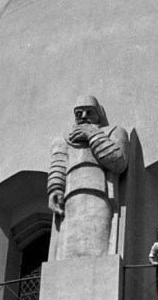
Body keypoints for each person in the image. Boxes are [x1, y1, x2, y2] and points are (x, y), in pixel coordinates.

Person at [48, 95, 129, 260]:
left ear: (99, 114)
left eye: (89, 112)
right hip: (70, 197)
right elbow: (58, 163)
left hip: (100, 193)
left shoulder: (115, 132)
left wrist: (93, 135)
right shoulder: (63, 139)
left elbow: (118, 162)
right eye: (79, 113)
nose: (83, 116)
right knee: (70, 250)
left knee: (95, 246)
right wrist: (55, 188)